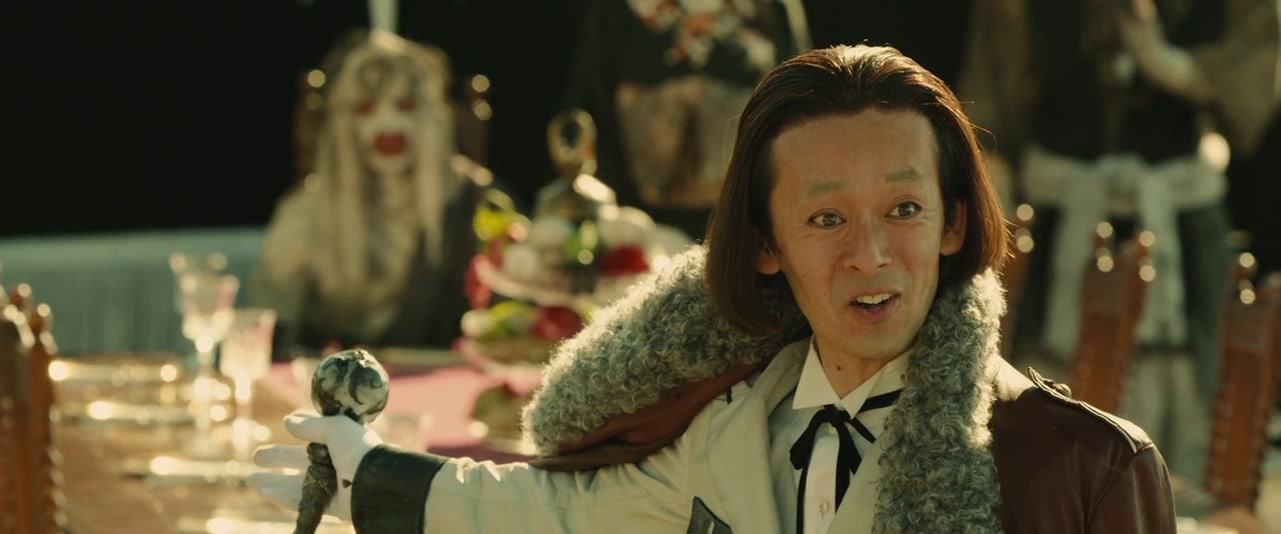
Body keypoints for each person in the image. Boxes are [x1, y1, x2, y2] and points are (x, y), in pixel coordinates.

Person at [250, 45, 1177, 532]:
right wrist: (372, 478)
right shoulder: (731, 423)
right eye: (825, 218)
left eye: (903, 208)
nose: (870, 254)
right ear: (764, 245)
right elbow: (554, 516)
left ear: (953, 224)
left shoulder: (1082, 472)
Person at [958, 0, 1279, 501]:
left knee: (1197, 424)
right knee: (1050, 430)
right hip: (1056, 233)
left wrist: (1172, 66)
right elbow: (991, 105)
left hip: (1181, 232)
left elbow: (1252, 75)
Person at [249, 30, 494, 353]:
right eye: (366, 109)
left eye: (405, 106)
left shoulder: (472, 200)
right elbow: (268, 329)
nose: (388, 124)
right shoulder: (304, 214)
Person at [564, 0, 808, 240]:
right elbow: (590, 114)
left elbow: (801, 112)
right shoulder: (618, 9)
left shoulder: (769, 7)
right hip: (639, 232)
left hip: (746, 230)